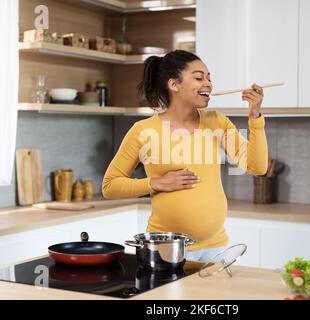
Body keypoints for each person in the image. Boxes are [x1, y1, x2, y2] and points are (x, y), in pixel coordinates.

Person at [102, 50, 268, 261]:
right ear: (174, 84)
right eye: (199, 77)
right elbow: (109, 186)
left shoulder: (217, 121)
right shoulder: (142, 130)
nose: (208, 83)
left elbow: (258, 167)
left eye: (209, 78)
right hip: (166, 250)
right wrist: (156, 183)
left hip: (216, 248)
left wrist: (255, 117)